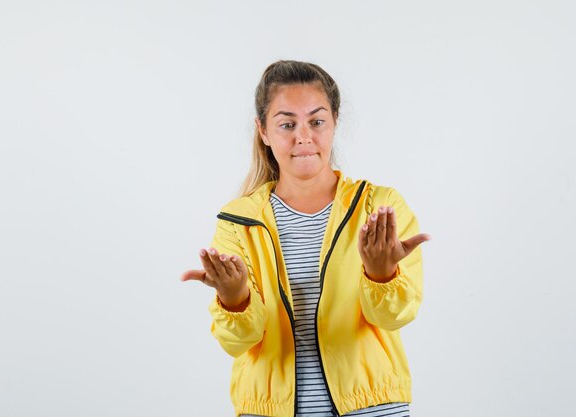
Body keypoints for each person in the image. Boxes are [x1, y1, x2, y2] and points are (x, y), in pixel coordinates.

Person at [181, 60, 431, 417]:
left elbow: (395, 317)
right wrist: (235, 299)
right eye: (287, 124)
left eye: (316, 121)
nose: (303, 136)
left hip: (373, 408)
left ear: (334, 124)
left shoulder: (380, 207)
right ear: (263, 131)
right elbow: (237, 342)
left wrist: (381, 275)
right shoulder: (239, 221)